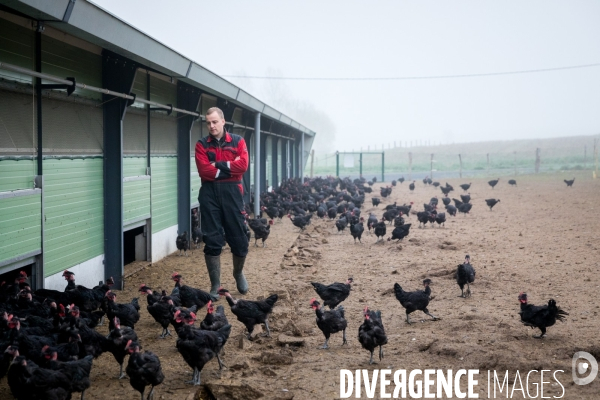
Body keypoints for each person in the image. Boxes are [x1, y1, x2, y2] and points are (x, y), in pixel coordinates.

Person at [195, 107, 250, 299]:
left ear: (223, 121)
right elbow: (204, 171)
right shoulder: (201, 145)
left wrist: (217, 165)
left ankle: (238, 273)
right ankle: (215, 284)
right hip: (209, 195)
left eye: (215, 122)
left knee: (240, 238)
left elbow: (242, 166)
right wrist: (229, 168)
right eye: (208, 122)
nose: (211, 126)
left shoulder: (238, 141)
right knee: (212, 240)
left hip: (233, 193)